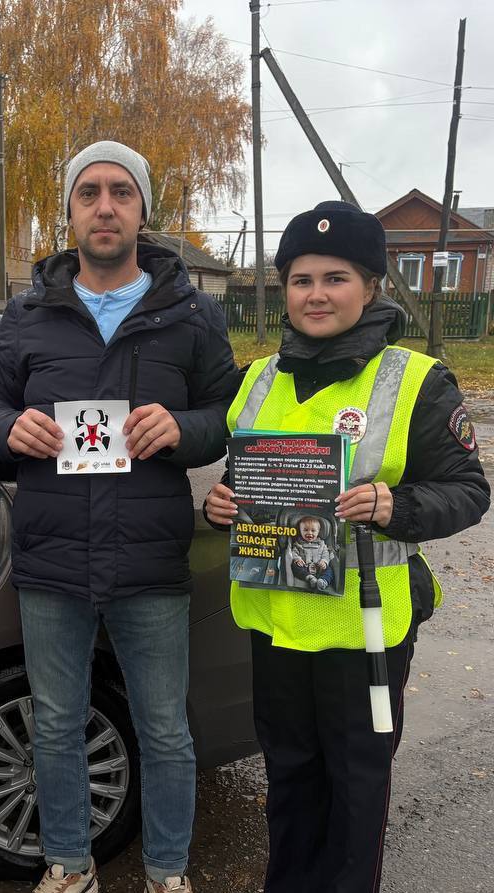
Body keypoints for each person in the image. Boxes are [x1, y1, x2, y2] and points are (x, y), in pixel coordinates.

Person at [0, 140, 240, 893]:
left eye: (121, 191)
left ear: (144, 210)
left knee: (165, 731)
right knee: (55, 725)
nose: (106, 205)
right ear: (70, 210)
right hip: (52, 558)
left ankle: (167, 874)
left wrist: (185, 431)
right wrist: (6, 428)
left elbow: (232, 413)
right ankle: (69, 865)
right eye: (89, 192)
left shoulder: (190, 314)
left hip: (150, 559)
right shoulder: (28, 315)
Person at [204, 200, 490, 893]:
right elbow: (244, 480)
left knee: (357, 791)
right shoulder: (258, 380)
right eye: (302, 279)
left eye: (336, 278)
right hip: (276, 626)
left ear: (372, 286)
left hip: (366, 628)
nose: (317, 294)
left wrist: (398, 506)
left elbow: (469, 489)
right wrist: (221, 505)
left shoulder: (414, 381)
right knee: (290, 780)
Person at [288, 515, 335, 591]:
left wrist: (324, 561)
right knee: (295, 566)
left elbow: (326, 554)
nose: (309, 533)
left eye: (313, 531)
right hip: (304, 567)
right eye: (305, 530)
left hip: (319, 567)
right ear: (300, 531)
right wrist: (297, 559)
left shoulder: (321, 544)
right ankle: (309, 578)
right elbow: (294, 552)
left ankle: (323, 581)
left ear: (318, 532)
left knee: (329, 570)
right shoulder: (298, 543)